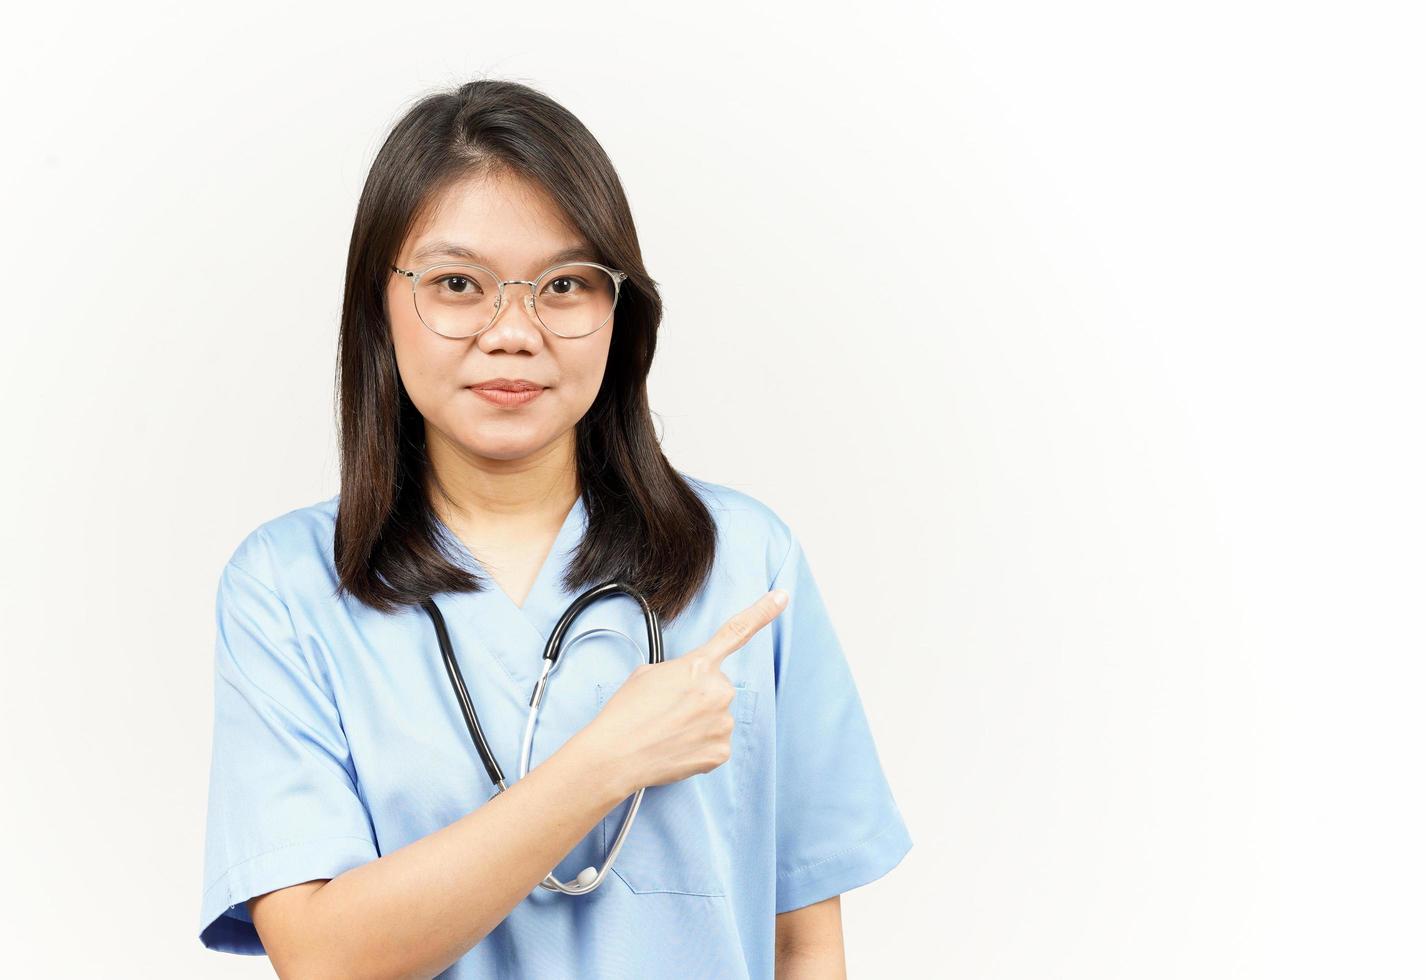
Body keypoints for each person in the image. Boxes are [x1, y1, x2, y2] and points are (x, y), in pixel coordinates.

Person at [197, 78, 912, 979]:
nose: (514, 331)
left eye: (565, 285)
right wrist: (603, 763)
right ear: (380, 305)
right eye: (458, 284)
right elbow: (324, 957)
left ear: (620, 313)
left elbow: (802, 937)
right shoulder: (289, 586)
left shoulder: (747, 563)